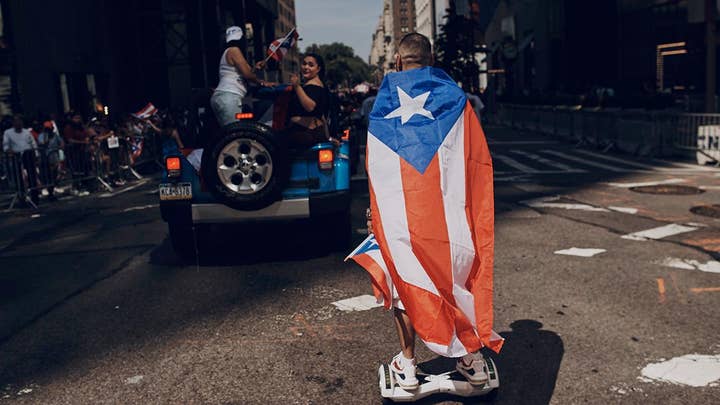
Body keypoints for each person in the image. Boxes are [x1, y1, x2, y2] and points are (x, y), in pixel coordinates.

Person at [362, 33, 501, 390]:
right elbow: (475, 162)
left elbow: (378, 167)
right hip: (448, 219)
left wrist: (374, 211)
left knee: (404, 284)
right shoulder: (457, 99)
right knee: (453, 281)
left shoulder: (383, 104)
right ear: (433, 58)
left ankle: (407, 365)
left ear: (396, 61)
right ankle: (470, 360)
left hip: (401, 217)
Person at [211, 26, 272, 126]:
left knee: (232, 133)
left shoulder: (230, 52)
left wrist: (256, 68)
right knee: (234, 134)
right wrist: (263, 83)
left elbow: (245, 73)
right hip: (229, 96)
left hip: (225, 97)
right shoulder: (234, 50)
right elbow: (248, 75)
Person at [284, 53, 335, 147]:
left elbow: (310, 106)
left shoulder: (313, 86)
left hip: (305, 134)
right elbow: (322, 116)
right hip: (312, 133)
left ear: (318, 69)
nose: (306, 67)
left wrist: (297, 86)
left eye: (311, 65)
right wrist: (328, 137)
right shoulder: (317, 85)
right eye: (304, 64)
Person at [3, 115, 39, 205]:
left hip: (28, 155)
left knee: (32, 176)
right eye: (16, 121)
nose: (18, 123)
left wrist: (36, 155)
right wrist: (11, 152)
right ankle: (22, 198)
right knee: (19, 179)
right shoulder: (8, 133)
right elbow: (6, 146)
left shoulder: (27, 132)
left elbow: (33, 144)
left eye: (20, 121)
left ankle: (35, 197)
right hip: (16, 157)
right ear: (13, 123)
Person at [37, 121, 65, 200]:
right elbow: (42, 144)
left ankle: (52, 190)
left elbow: (61, 142)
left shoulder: (55, 136)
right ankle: (50, 192)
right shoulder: (41, 136)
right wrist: (47, 138)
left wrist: (61, 146)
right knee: (48, 176)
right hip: (45, 159)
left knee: (55, 175)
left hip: (54, 158)